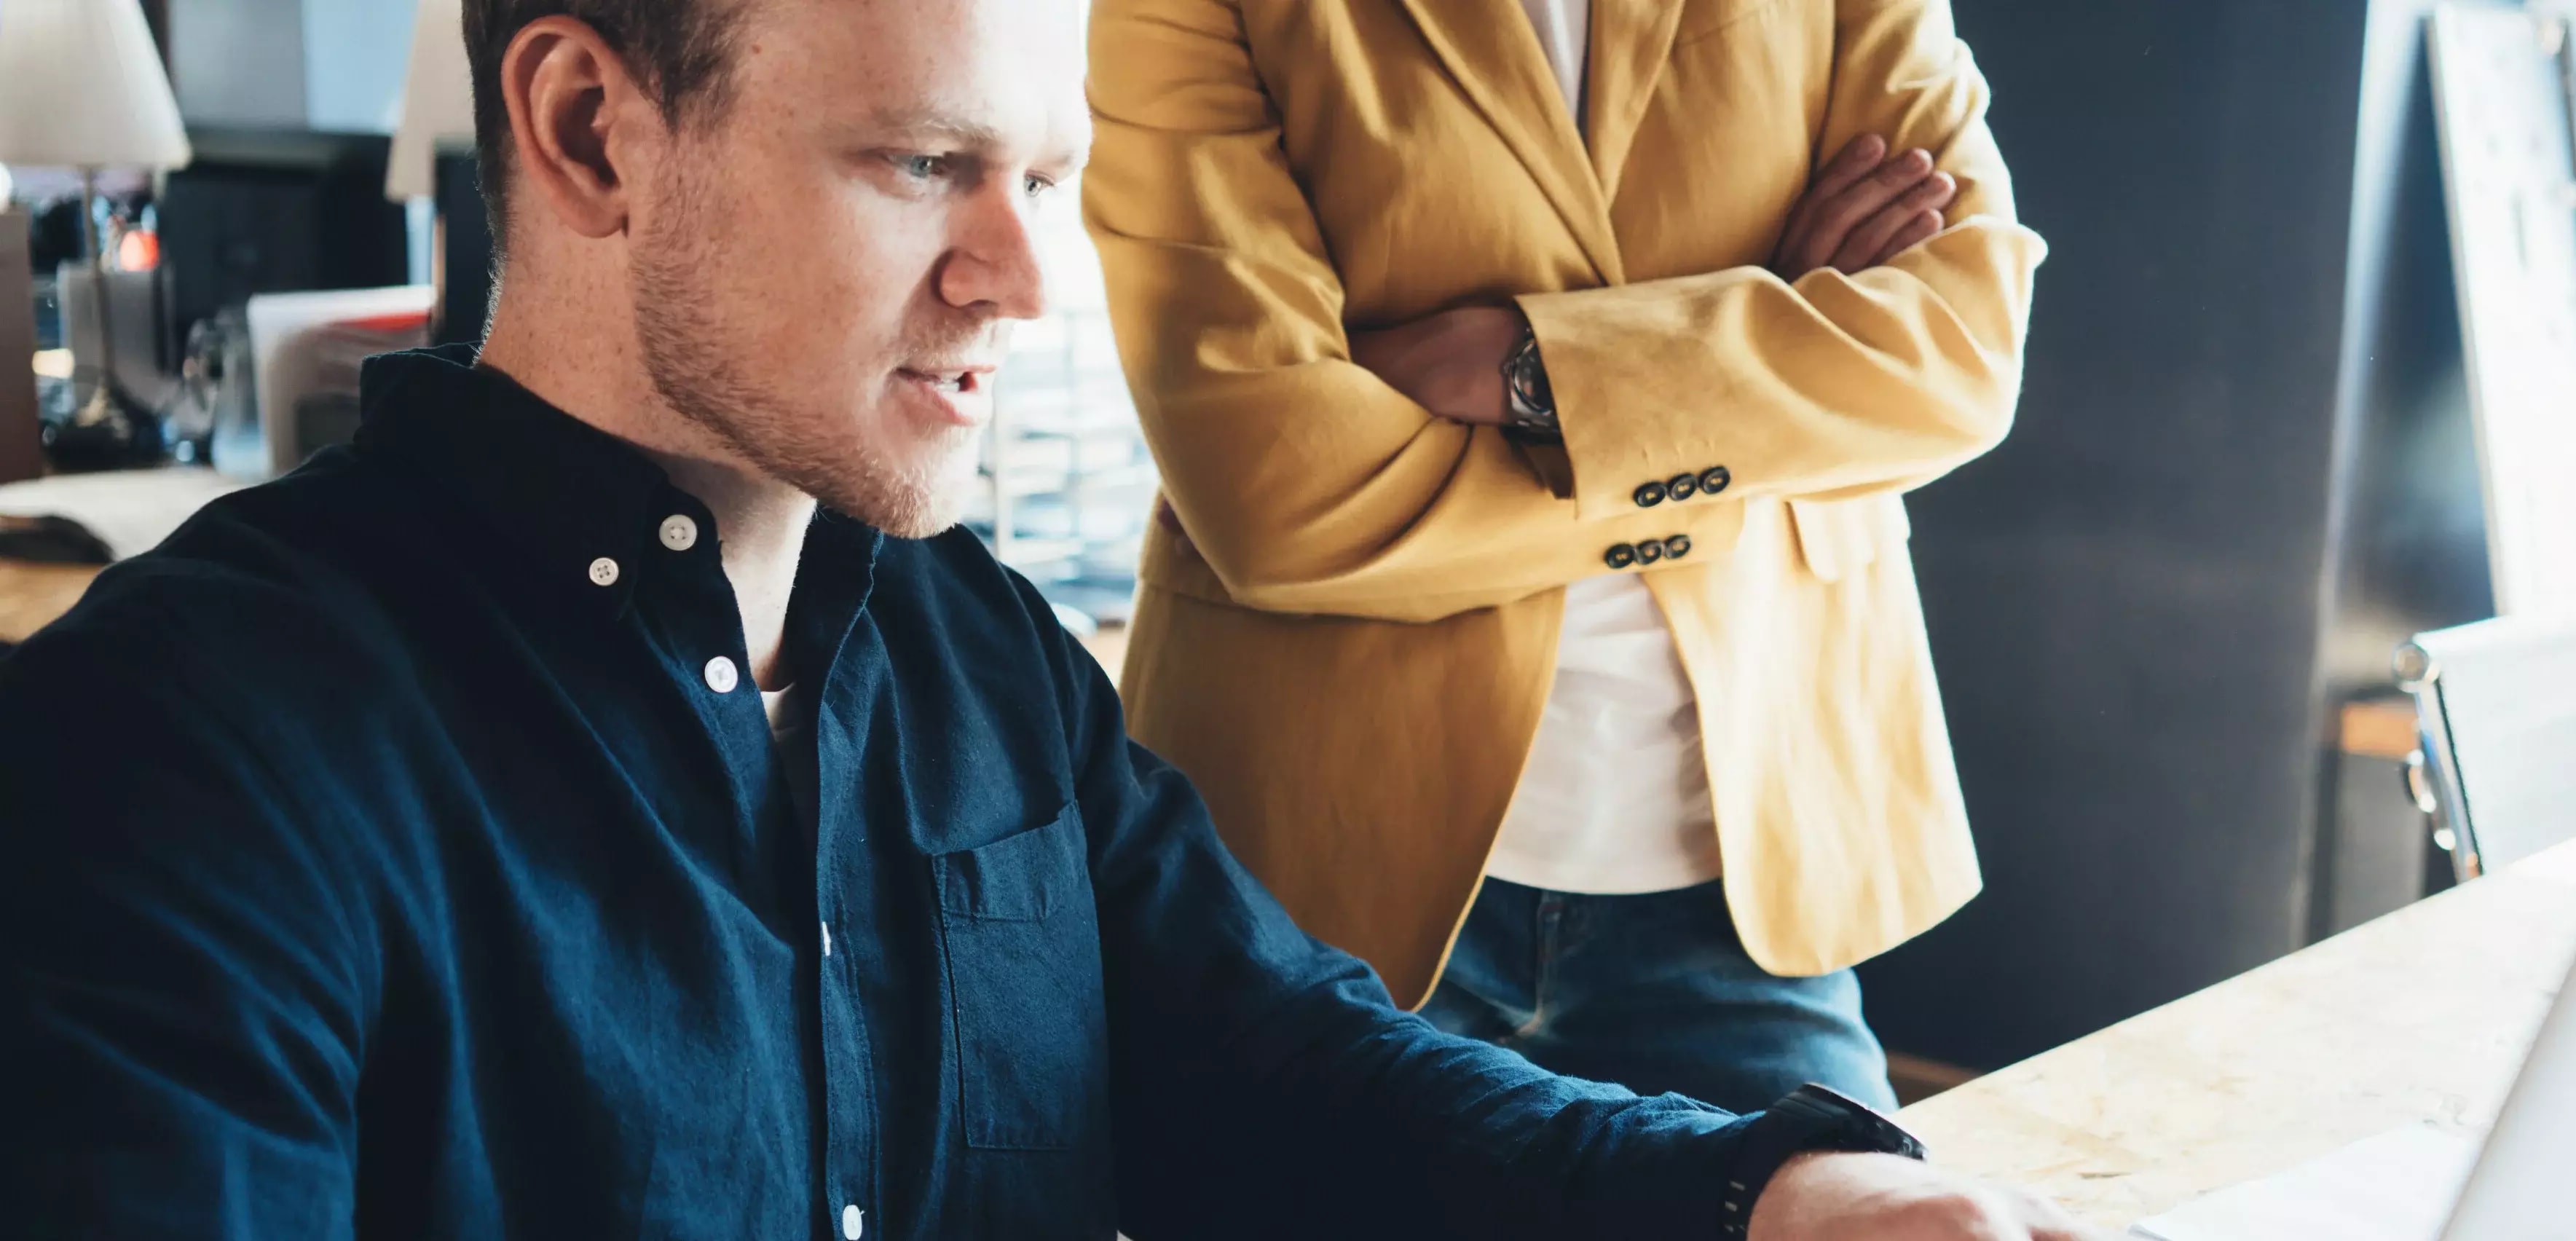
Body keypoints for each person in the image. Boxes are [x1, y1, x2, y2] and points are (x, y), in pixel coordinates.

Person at [0, 0, 2106, 1237]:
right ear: (585, 130)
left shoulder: (975, 658)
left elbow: (1288, 1060)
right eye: (925, 167)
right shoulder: (192, 753)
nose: (1025, 282)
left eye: (1044, 177)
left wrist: (1753, 1201)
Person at [1087, 0, 2047, 1111]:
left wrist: (1521, 363)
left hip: (1742, 860)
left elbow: (1959, 354)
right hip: (1318, 875)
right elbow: (1272, 485)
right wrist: (1745, 378)